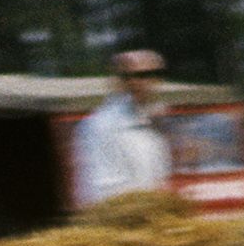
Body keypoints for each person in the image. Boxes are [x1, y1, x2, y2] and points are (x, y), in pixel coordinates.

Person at [70, 49, 172, 207]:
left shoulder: (153, 121)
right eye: (128, 76)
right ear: (117, 81)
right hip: (121, 223)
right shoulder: (100, 126)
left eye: (149, 75)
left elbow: (158, 180)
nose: (138, 82)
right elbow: (99, 191)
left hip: (151, 219)